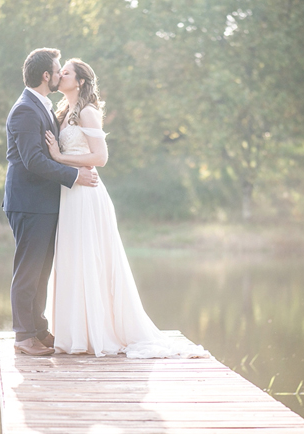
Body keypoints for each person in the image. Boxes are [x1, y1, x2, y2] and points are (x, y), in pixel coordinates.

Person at [45, 58, 209, 358]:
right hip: (68, 194)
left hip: (86, 194)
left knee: (90, 259)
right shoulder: (63, 112)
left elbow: (100, 158)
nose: (60, 75)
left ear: (80, 81)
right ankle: (74, 333)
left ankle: (98, 333)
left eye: (66, 72)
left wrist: (59, 158)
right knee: (72, 258)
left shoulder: (89, 112)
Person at [3, 48, 99, 356]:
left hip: (43, 202)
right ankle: (23, 336)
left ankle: (39, 330)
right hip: (29, 202)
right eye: (58, 70)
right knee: (28, 270)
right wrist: (73, 177)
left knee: (42, 269)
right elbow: (33, 161)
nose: (60, 75)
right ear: (47, 76)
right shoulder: (25, 110)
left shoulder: (42, 106)